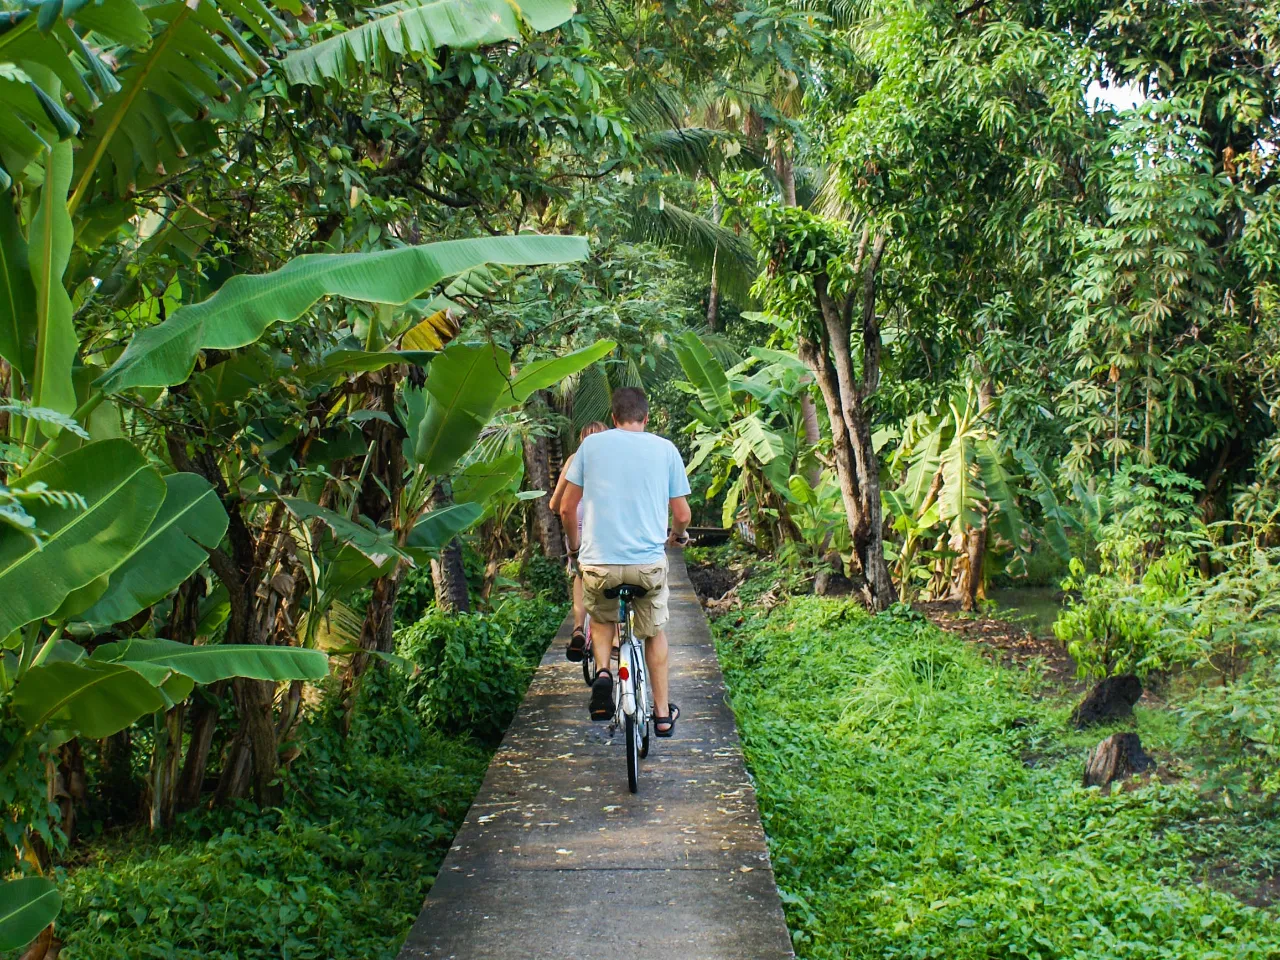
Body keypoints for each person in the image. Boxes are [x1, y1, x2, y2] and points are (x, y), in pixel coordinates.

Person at [557, 387, 692, 737]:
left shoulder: (590, 447)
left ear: (614, 418)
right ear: (646, 418)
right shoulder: (665, 449)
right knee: (655, 632)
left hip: (599, 564)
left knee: (602, 620)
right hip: (647, 565)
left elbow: (566, 507)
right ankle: (662, 715)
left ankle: (603, 673)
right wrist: (676, 536)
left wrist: (575, 547)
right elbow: (682, 513)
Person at [548, 420, 608, 661]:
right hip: (603, 523)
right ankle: (612, 638)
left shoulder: (574, 459)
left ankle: (578, 629)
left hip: (578, 519)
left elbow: (555, 504)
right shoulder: (612, 460)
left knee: (579, 574)